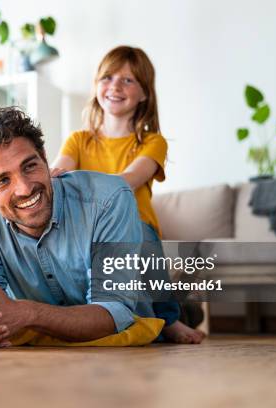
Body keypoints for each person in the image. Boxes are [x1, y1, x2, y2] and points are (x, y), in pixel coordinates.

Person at [0, 106, 203, 348]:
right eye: (3, 180)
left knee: (146, 242)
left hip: (135, 298)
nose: (25, 188)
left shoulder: (110, 197)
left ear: (45, 158)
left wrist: (27, 313)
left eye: (30, 166)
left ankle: (180, 314)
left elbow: (114, 312)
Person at [50, 45, 204, 342]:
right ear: (96, 86)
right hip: (89, 230)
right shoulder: (78, 141)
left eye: (128, 80)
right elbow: (60, 174)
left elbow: (126, 182)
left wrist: (77, 184)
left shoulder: (152, 142)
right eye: (107, 77)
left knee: (140, 236)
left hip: (136, 228)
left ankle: (169, 318)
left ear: (144, 93)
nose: (115, 86)